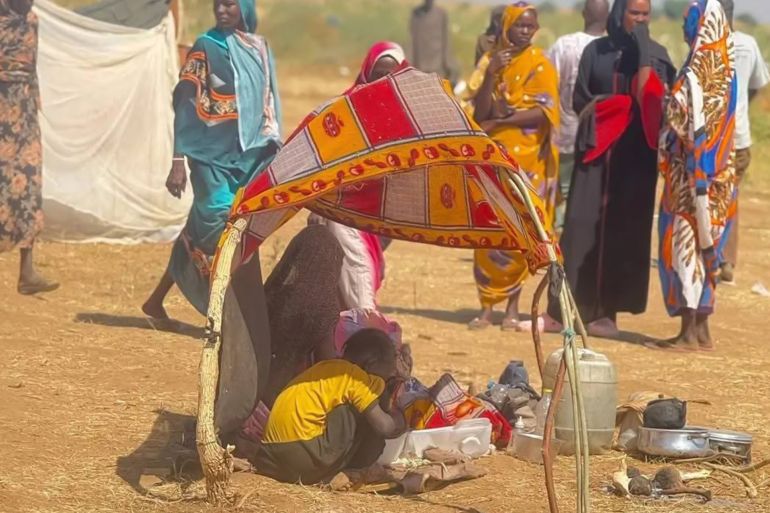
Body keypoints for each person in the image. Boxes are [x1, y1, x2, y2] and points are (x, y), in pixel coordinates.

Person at [142, 0, 281, 324]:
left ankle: (155, 300)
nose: (221, 10)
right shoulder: (206, 46)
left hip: (250, 156)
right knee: (219, 225)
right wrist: (178, 159)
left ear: (245, 8)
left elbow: (269, 100)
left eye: (229, 4)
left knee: (215, 227)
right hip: (207, 155)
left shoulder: (260, 49)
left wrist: (275, 148)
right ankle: (222, 313)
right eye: (217, 4)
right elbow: (185, 103)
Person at [544, 0, 676, 338]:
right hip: (597, 152)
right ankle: (564, 310)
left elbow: (658, 103)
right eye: (635, 13)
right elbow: (578, 99)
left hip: (634, 161)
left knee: (621, 231)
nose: (641, 19)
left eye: (646, 14)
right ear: (620, 14)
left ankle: (608, 314)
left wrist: (643, 51)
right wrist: (609, 107)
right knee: (579, 227)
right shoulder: (596, 52)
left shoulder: (658, 55)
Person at [468, 2, 560, 332]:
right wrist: (492, 72)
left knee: (521, 230)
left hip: (528, 164)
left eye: (530, 26)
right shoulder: (491, 62)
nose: (525, 31)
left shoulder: (540, 64)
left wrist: (503, 119)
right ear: (506, 26)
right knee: (489, 231)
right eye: (519, 25)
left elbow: (546, 113)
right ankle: (486, 308)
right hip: (494, 162)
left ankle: (512, 308)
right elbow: (480, 113)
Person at [653, 0, 736, 352]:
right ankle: (702, 331)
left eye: (690, 21)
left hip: (690, 180)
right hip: (720, 177)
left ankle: (689, 333)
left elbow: (685, 120)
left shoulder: (695, 71)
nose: (685, 27)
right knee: (708, 244)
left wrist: (665, 110)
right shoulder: (724, 66)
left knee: (686, 246)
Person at [309, 42, 407, 311]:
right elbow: (326, 159)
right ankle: (364, 323)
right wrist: (320, 203)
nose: (384, 80)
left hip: (384, 209)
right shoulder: (345, 110)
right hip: (344, 205)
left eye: (391, 74)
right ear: (367, 71)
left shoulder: (405, 113)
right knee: (354, 267)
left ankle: (355, 327)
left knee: (365, 266)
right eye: (378, 73)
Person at [256, 328, 407, 484]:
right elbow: (385, 427)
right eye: (388, 372)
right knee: (364, 410)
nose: (387, 378)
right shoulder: (355, 378)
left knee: (364, 404)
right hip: (302, 459)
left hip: (270, 457)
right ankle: (348, 469)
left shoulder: (324, 369)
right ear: (370, 365)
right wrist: (404, 416)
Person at [0, 0, 59, 295]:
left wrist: (34, 104)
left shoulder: (32, 20)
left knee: (29, 186)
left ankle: (27, 272)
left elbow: (32, 65)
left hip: (23, 114)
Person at [717, 0, 770, 284]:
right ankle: (726, 260)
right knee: (730, 197)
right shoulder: (748, 44)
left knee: (708, 196)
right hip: (740, 137)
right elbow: (757, 84)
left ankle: (710, 256)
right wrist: (740, 110)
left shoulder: (704, 45)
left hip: (711, 140)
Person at [262, 225, 345, 407]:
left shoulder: (275, 292)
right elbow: (328, 367)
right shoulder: (325, 307)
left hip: (253, 398)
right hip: (290, 409)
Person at [547, 0, 610, 232]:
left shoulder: (563, 45)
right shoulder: (612, 49)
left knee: (562, 192)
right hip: (598, 137)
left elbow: (547, 89)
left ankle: (560, 241)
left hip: (563, 134)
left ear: (584, 14)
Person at [409, 0, 458, 84]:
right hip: (420, 66)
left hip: (437, 66)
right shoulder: (416, 13)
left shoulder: (441, 14)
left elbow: (446, 40)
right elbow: (412, 40)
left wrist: (447, 63)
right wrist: (411, 65)